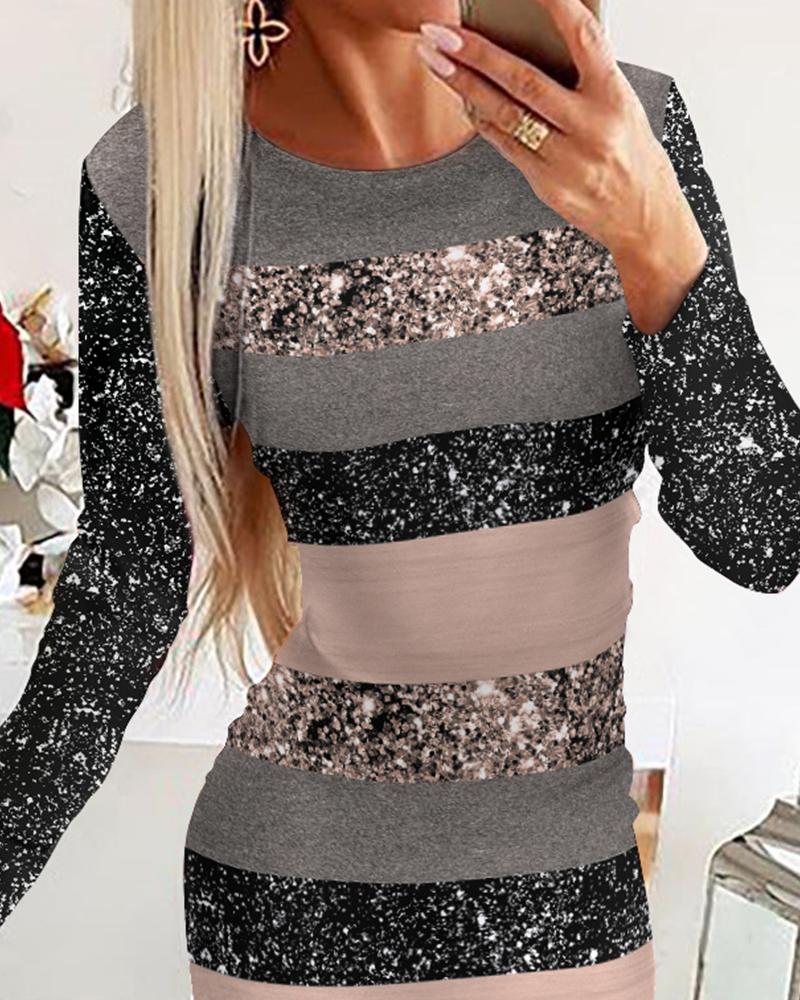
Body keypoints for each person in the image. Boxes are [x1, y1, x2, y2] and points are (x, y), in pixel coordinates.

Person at [2, 1, 799, 997]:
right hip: (291, 913)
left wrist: (655, 236)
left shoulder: (627, 130)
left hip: (568, 907)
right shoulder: (163, 185)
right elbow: (121, 600)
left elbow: (761, 535)